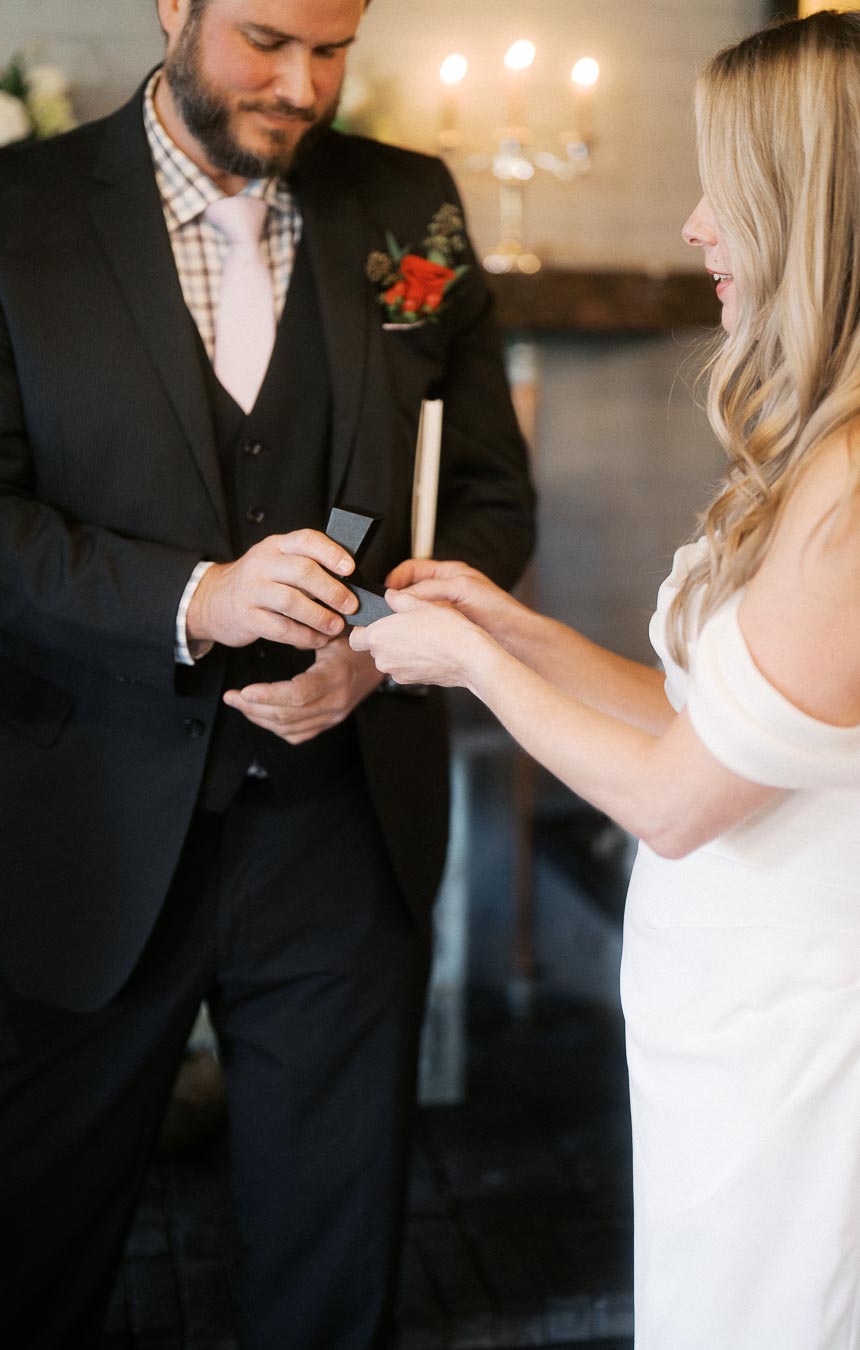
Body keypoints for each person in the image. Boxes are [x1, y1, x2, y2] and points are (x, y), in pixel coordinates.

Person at [0, 0, 535, 1345]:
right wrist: (195, 599)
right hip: (86, 820)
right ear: (175, 4)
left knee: (332, 1283)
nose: (304, 83)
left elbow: (494, 499)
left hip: (349, 830)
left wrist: (379, 656)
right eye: (266, 39)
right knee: (19, 1263)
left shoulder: (409, 201)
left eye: (334, 48)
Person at [352, 10, 860, 1347]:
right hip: (728, 1028)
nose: (694, 223)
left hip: (808, 1034)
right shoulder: (823, 456)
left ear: (814, 209)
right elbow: (719, 726)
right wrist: (508, 625)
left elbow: (680, 800)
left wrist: (463, 662)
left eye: (725, 189)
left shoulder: (856, 489)